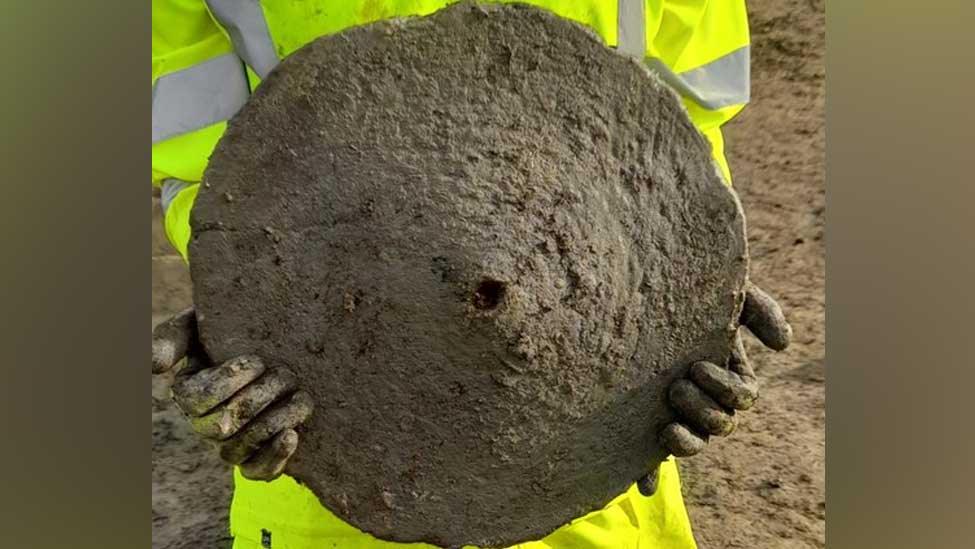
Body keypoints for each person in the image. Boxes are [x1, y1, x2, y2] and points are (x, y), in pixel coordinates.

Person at [151, 1, 792, 548]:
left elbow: (690, 122)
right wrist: (235, 296)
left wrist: (700, 281)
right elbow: (193, 155)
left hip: (597, 458)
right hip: (334, 462)